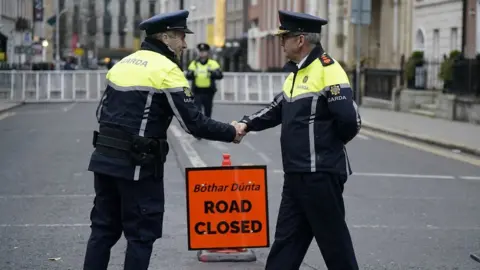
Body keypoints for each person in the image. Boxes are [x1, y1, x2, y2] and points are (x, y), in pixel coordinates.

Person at [83, 10, 243, 270]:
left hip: (103, 159)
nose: (185, 43)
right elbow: (193, 122)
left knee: (103, 231)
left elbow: (101, 112)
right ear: (166, 37)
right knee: (141, 236)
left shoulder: (123, 63)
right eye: (181, 36)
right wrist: (231, 132)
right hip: (138, 164)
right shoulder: (167, 69)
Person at [233, 10, 361, 270]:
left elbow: (348, 120)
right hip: (296, 174)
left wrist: (325, 148)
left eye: (285, 38)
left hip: (319, 174)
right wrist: (247, 124)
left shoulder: (328, 69)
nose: (281, 43)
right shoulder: (297, 73)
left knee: (335, 245)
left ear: (300, 40)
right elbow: (277, 108)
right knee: (286, 242)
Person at [186, 43, 223, 119]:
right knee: (197, 111)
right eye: (200, 51)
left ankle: (207, 128)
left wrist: (212, 73)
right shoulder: (194, 64)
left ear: (207, 52)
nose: (202, 53)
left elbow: (220, 75)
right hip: (197, 92)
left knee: (208, 112)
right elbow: (188, 76)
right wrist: (193, 74)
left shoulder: (212, 63)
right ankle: (199, 128)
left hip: (208, 92)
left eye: (204, 51)